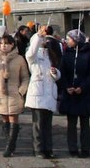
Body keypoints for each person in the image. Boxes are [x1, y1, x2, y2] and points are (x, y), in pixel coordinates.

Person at [0, 35, 29, 157]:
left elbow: (25, 77)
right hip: (1, 94)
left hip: (15, 94)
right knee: (4, 119)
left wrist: (21, 91)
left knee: (13, 118)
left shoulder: (19, 59)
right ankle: (8, 143)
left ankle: (11, 146)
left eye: (7, 43)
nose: (4, 46)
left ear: (12, 45)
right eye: (2, 43)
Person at [59, 29, 90, 158]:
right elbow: (62, 73)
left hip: (84, 94)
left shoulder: (89, 54)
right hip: (70, 93)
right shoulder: (66, 54)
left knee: (85, 123)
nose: (67, 41)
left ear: (76, 40)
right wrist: (66, 87)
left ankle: (85, 148)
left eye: (69, 39)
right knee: (71, 123)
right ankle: (72, 147)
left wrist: (83, 87)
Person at [25, 25, 61, 159]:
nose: (45, 41)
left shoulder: (50, 56)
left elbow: (58, 74)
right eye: (43, 39)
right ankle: (38, 149)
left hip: (49, 93)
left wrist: (55, 73)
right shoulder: (33, 56)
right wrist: (38, 36)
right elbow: (31, 52)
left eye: (45, 39)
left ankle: (48, 148)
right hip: (38, 94)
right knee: (38, 125)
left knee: (47, 125)